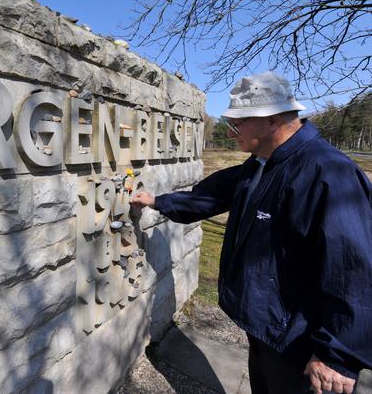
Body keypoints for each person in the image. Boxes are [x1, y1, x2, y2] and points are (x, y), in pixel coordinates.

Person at [130, 72, 372, 394]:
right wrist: (159, 201)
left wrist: (337, 355)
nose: (231, 133)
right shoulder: (261, 163)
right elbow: (212, 195)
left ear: (271, 120)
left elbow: (353, 270)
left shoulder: (329, 173)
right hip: (266, 328)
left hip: (300, 344)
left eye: (238, 124)